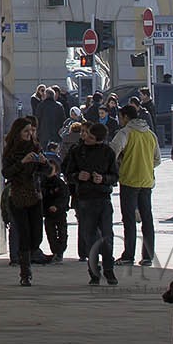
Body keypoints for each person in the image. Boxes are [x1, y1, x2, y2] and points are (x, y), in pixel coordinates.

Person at [64, 120, 119, 285]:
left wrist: (103, 179)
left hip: (103, 198)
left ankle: (109, 270)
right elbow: (67, 172)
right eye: (86, 135)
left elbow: (115, 176)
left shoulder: (108, 152)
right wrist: (77, 176)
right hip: (85, 198)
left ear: (98, 139)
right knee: (90, 237)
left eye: (90, 136)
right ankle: (94, 271)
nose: (86, 138)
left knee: (107, 236)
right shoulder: (77, 151)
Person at [112, 103, 160, 265]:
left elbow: (113, 150)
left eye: (120, 117)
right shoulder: (150, 134)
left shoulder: (125, 133)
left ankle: (129, 254)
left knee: (129, 220)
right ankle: (147, 256)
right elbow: (157, 159)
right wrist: (146, 166)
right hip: (147, 181)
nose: (119, 120)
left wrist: (120, 163)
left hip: (129, 179)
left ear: (125, 117)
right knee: (147, 219)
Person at [3, 116, 49, 286]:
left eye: (31, 131)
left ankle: (33, 253)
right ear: (18, 132)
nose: (30, 134)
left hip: (35, 195)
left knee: (36, 234)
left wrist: (44, 163)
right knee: (23, 233)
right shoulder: (11, 151)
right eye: (26, 131)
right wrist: (22, 162)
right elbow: (6, 172)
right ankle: (25, 272)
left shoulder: (36, 147)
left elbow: (47, 170)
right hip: (18, 195)